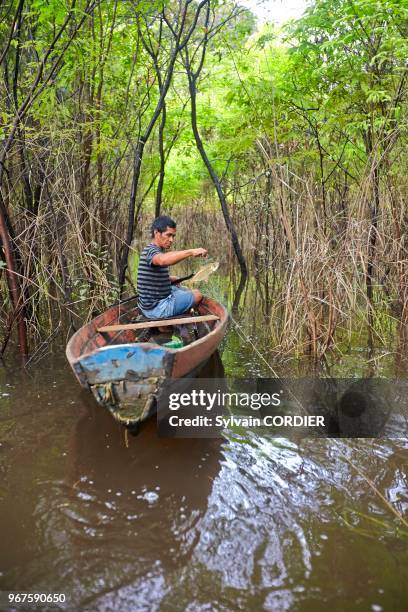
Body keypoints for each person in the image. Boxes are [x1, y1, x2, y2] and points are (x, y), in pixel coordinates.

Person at [137, 215, 208, 319]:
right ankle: (175, 320)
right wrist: (190, 252)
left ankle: (168, 320)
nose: (171, 240)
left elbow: (151, 277)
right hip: (156, 308)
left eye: (173, 236)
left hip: (149, 305)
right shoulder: (151, 251)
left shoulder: (151, 250)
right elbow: (162, 260)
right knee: (197, 295)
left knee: (183, 288)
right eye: (168, 235)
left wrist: (169, 279)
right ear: (156, 232)